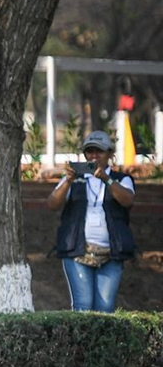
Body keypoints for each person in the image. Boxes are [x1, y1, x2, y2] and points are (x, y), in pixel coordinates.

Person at [47, 130, 136, 312]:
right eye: (90, 151)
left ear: (110, 154)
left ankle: (103, 342)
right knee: (83, 305)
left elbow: (127, 200)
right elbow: (52, 204)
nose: (94, 155)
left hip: (112, 252)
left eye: (99, 151)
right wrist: (68, 181)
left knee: (105, 307)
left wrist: (106, 179)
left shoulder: (121, 179)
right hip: (77, 251)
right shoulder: (74, 179)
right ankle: (81, 342)